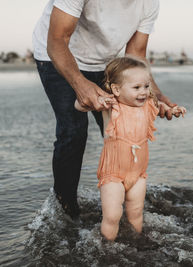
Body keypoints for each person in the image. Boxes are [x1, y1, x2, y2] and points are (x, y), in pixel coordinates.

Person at [32, 0, 180, 219]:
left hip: (103, 62)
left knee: (123, 129)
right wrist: (81, 85)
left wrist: (155, 96)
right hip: (56, 54)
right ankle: (65, 209)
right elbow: (57, 39)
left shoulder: (149, 3)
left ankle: (127, 201)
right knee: (73, 131)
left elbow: (136, 54)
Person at [75, 56, 186, 241]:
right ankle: (108, 248)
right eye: (136, 88)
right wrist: (98, 101)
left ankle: (137, 241)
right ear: (117, 89)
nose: (143, 92)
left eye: (146, 86)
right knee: (112, 216)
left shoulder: (148, 104)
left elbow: (161, 107)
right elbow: (79, 106)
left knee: (136, 213)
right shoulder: (111, 106)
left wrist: (173, 110)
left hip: (138, 175)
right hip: (113, 175)